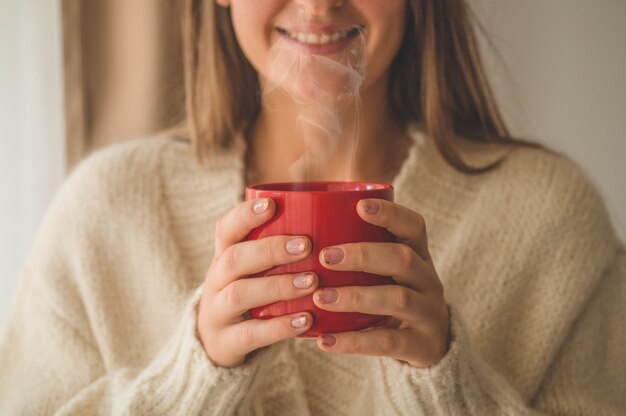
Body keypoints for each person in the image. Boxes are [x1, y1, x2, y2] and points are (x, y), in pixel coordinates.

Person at [1, 0, 624, 414]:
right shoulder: (103, 213)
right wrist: (191, 380)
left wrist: (446, 386)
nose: (319, 2)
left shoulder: (550, 220)